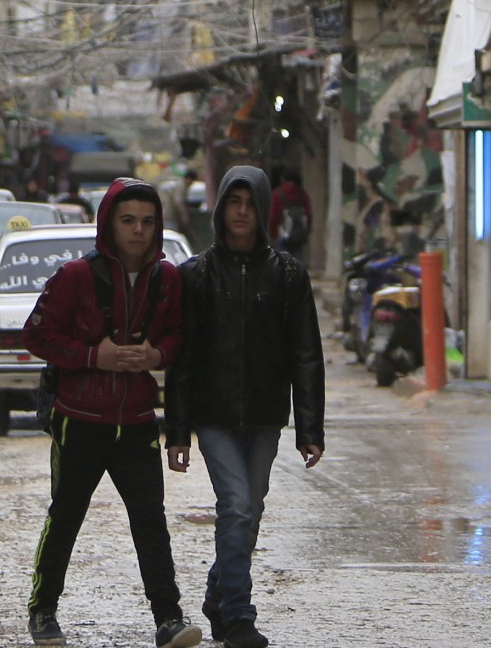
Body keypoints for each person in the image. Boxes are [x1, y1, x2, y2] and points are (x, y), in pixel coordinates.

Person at [19, 178, 201, 648]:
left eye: (147, 222)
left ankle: (169, 619)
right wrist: (91, 356)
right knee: (66, 515)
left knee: (150, 521)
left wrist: (156, 355)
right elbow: (35, 335)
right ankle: (43, 611)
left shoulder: (167, 279)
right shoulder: (76, 276)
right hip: (78, 417)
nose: (138, 231)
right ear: (109, 224)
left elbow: (180, 338)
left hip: (138, 420)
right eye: (128, 221)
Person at [166, 167, 324, 648]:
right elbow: (182, 359)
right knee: (235, 506)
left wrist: (310, 428)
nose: (241, 212)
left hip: (265, 415)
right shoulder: (195, 275)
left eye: (250, 203)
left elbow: (305, 353)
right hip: (213, 417)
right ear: (220, 209)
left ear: (263, 210)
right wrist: (177, 432)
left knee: (249, 511)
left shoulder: (288, 275)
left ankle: (218, 595)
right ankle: (238, 615)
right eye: (233, 202)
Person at [266, 167, 312, 261]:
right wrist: (305, 232)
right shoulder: (303, 195)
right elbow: (308, 215)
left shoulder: (277, 193)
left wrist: (273, 234)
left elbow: (273, 217)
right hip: (298, 236)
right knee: (297, 264)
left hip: (282, 234)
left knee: (281, 263)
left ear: (284, 179)